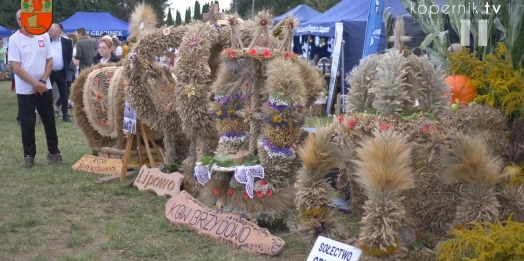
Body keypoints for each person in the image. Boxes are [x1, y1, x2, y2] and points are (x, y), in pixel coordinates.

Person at [8, 10, 64, 168]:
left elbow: (50, 61)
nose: (20, 21)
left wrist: (42, 81)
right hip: (25, 89)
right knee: (27, 122)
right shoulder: (14, 39)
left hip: (43, 86)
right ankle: (29, 156)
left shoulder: (43, 35)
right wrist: (35, 84)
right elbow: (17, 69)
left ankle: (54, 153)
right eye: (18, 19)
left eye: (22, 18)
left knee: (49, 120)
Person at [47, 23, 73, 122]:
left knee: (64, 94)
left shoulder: (67, 42)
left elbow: (68, 57)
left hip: (61, 72)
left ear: (58, 32)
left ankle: (65, 115)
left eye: (51, 30)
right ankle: (48, 114)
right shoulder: (46, 41)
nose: (49, 32)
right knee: (47, 94)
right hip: (49, 72)